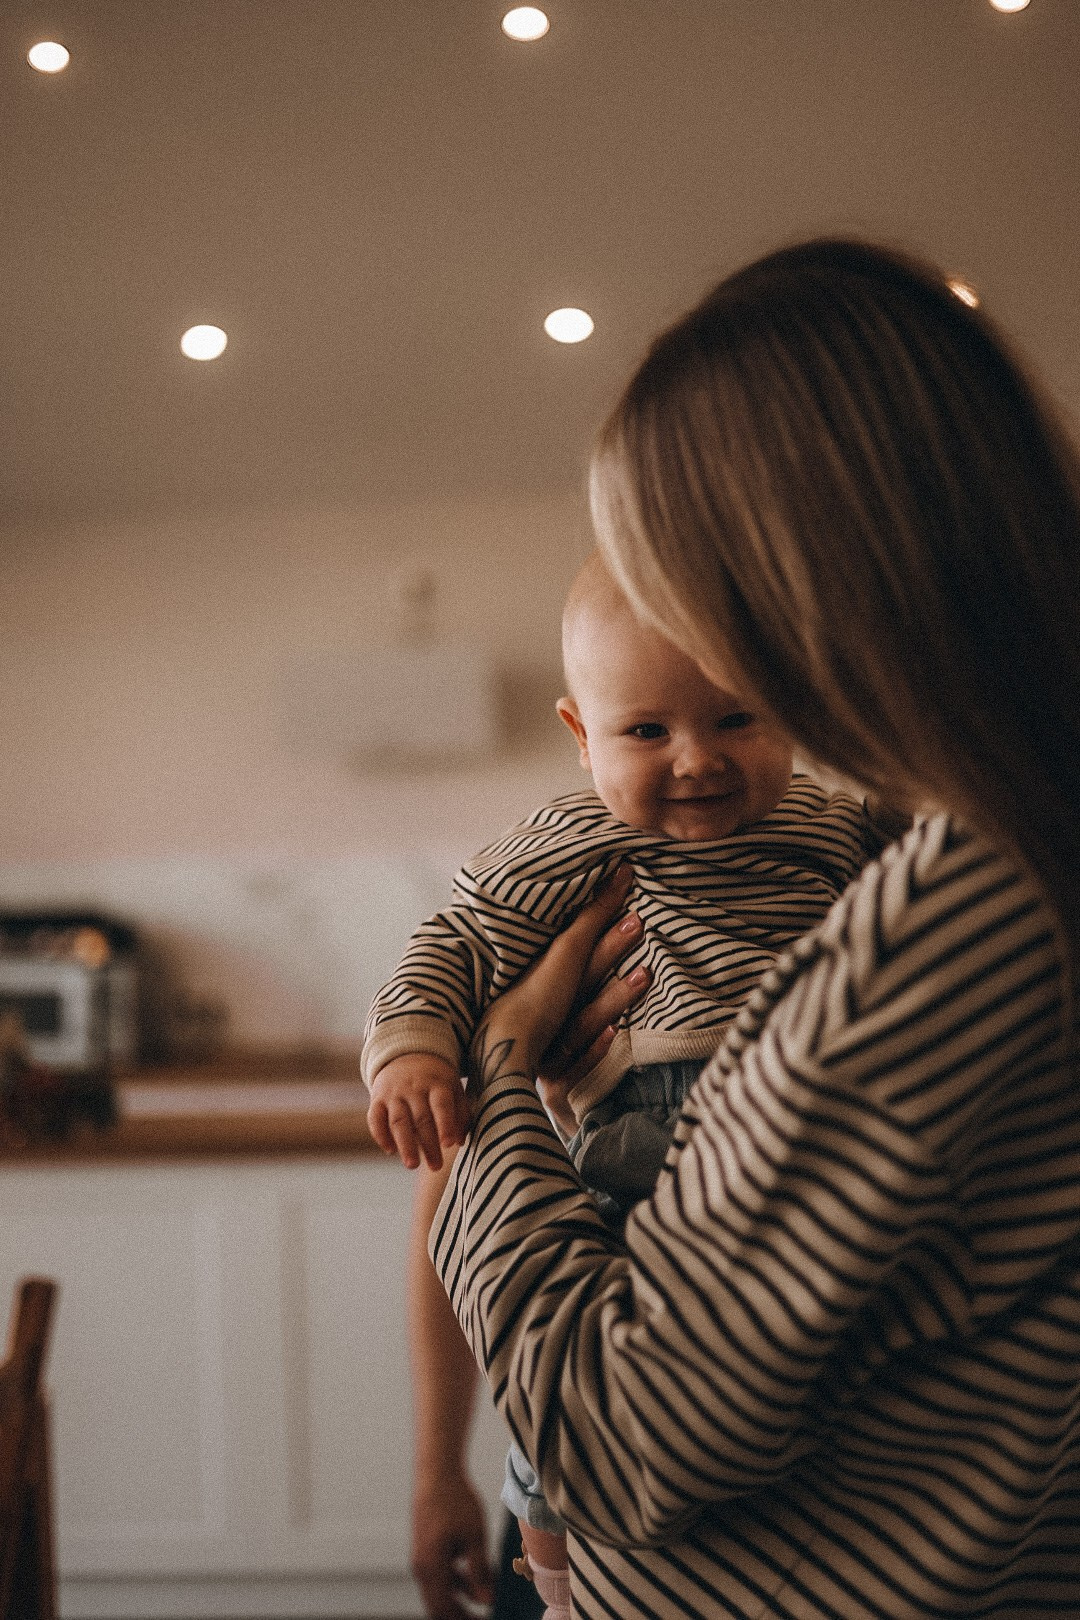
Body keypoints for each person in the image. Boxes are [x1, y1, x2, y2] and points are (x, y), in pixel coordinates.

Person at [426, 236, 1080, 1619]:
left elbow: (618, 1442)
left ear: (793, 585)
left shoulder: (944, 917)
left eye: (683, 583)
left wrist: (501, 1069)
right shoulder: (1011, 849)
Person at [368, 556, 900, 1615]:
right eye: (647, 731)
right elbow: (457, 941)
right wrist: (415, 1049)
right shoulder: (577, 840)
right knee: (584, 1355)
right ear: (583, 734)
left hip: (807, 1134)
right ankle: (558, 1575)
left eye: (736, 718)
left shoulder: (840, 829)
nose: (697, 759)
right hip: (639, 1132)